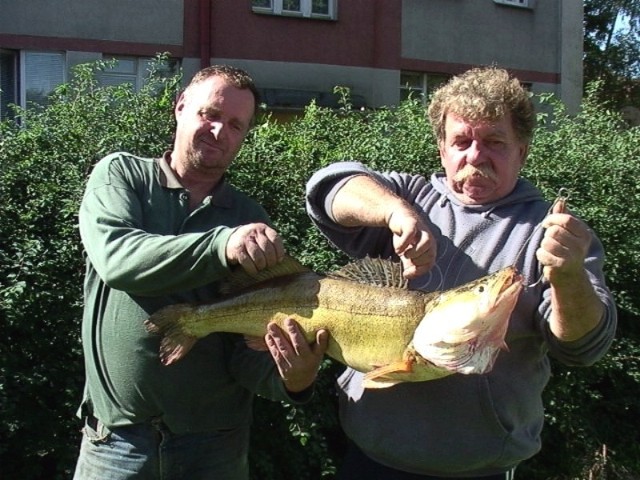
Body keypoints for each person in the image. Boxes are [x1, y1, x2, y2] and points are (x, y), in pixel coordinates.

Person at [305, 66, 617, 479]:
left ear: (521, 151)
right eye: (462, 141)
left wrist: (569, 277)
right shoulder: (409, 195)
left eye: (493, 142)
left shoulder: (555, 235)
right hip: (370, 456)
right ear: (442, 148)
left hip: (479, 467)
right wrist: (394, 213)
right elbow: (329, 187)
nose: (475, 155)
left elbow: (584, 347)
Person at [72, 65, 328, 480]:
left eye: (235, 125)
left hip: (215, 447)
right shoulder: (123, 176)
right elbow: (117, 258)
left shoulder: (249, 217)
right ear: (180, 108)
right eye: (210, 114)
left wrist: (294, 379)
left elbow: (245, 353)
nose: (219, 130)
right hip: (116, 443)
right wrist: (220, 245)